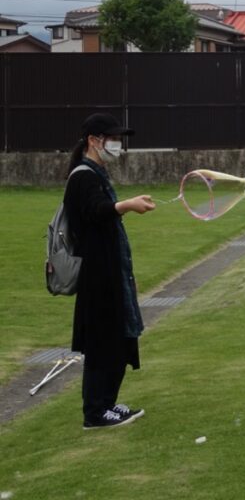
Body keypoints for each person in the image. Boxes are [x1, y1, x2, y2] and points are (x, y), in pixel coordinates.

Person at [66, 112, 156, 429]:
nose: (117, 144)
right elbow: (96, 211)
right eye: (112, 138)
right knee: (102, 344)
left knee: (118, 341)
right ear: (94, 141)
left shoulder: (97, 173)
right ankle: (95, 412)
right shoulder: (83, 176)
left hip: (111, 271)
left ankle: (108, 404)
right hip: (97, 276)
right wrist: (127, 205)